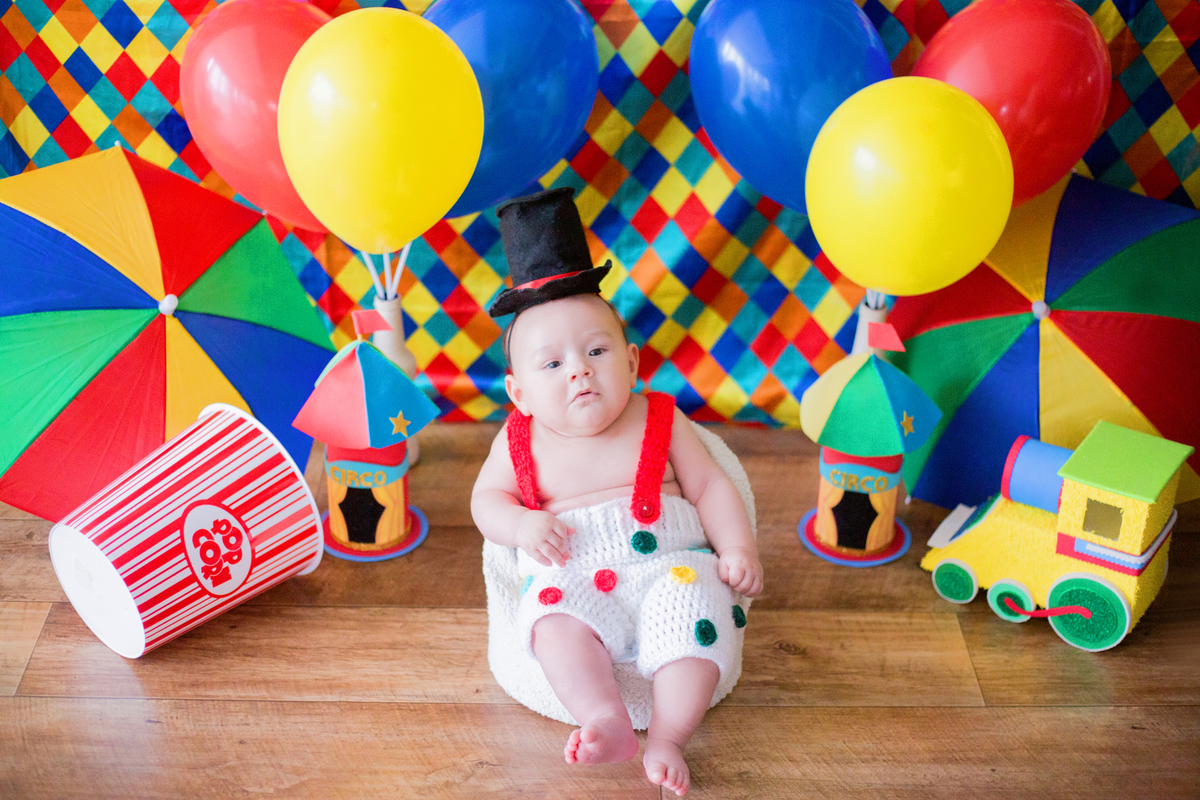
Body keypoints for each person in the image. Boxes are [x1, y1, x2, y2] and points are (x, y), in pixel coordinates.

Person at [471, 188, 763, 796]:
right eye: (550, 365)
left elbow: (710, 483)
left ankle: (668, 735)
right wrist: (524, 527)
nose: (579, 369)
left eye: (597, 351)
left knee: (698, 615)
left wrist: (738, 549)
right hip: (574, 574)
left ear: (631, 363)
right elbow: (485, 503)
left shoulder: (659, 416)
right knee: (550, 621)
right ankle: (602, 714)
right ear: (518, 393)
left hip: (669, 567)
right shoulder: (519, 439)